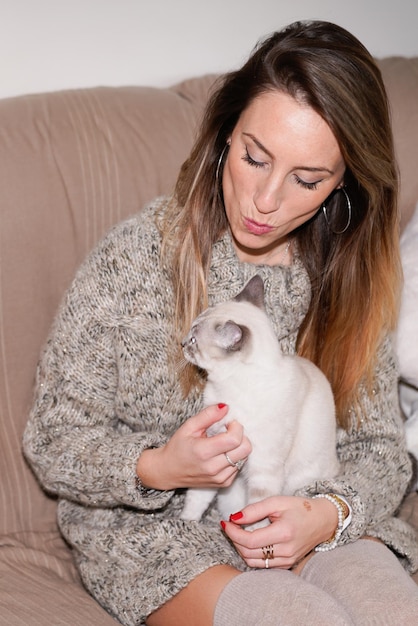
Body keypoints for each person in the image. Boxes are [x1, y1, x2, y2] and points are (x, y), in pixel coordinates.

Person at [23, 19, 418, 626]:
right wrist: (157, 466)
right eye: (255, 158)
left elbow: (383, 453)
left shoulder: (349, 276)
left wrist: (326, 515)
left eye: (307, 179)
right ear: (224, 138)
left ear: (343, 185)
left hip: (303, 510)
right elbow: (53, 438)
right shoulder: (136, 261)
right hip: (152, 531)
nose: (266, 200)